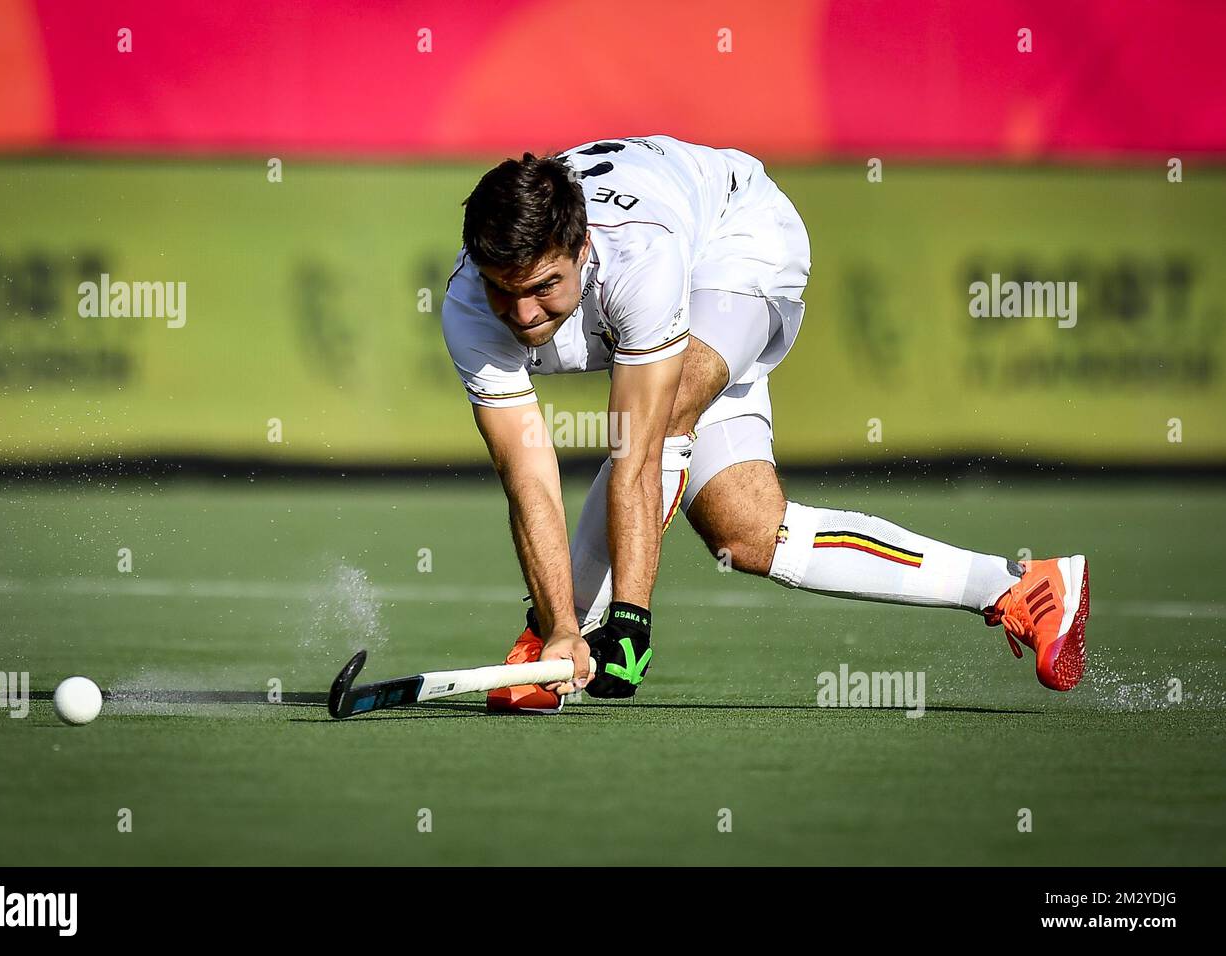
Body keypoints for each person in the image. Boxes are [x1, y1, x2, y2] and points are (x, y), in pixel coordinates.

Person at [440, 135, 1088, 713]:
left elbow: (638, 455)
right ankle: (1021, 586)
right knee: (750, 535)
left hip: (738, 239)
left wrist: (623, 619)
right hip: (682, 266)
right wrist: (563, 622)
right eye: (505, 289)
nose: (522, 313)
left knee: (658, 422)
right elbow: (530, 481)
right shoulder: (470, 311)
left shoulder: (641, 258)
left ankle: (557, 634)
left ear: (582, 250)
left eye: (545, 287)